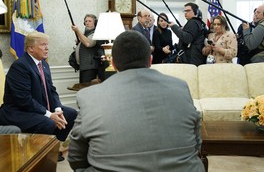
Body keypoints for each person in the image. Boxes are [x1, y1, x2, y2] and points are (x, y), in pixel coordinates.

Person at [68, 31, 205, 172]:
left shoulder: (89, 96)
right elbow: (197, 143)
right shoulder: (180, 87)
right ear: (150, 60)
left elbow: (76, 158)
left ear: (113, 63)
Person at [0, 31, 77, 161]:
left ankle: (52, 148)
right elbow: (24, 100)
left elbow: (51, 91)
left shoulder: (44, 64)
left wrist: (57, 110)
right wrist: (49, 114)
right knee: (47, 123)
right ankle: (39, 155)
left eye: (47, 45)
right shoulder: (20, 66)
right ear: (31, 48)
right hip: (17, 111)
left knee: (70, 114)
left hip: (37, 108)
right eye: (43, 45)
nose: (47, 48)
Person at [71, 14, 106, 83]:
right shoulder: (85, 34)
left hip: (90, 67)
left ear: (95, 23)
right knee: (82, 88)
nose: (87, 23)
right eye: (86, 21)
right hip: (83, 66)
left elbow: (88, 43)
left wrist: (77, 31)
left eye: (90, 21)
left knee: (86, 88)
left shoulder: (96, 33)